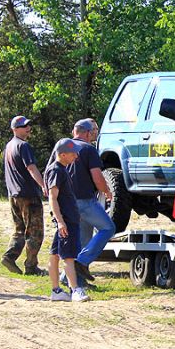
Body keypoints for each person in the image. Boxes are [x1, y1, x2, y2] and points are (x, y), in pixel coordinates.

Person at [48, 119, 115, 285]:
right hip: (85, 201)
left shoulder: (61, 148)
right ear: (87, 133)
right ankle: (82, 262)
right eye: (95, 131)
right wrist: (106, 191)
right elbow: (97, 176)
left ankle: (69, 279)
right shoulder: (89, 149)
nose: (96, 134)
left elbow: (48, 172)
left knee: (81, 240)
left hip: (66, 203)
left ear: (74, 131)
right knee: (108, 228)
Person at [45, 138, 90, 302]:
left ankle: (56, 291)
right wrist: (60, 221)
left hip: (67, 220)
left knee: (55, 254)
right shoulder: (56, 170)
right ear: (62, 154)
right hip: (66, 221)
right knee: (68, 256)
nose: (76, 156)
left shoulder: (61, 169)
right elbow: (52, 198)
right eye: (73, 153)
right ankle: (75, 290)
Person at [2, 115, 48, 276]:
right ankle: (31, 267)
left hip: (13, 195)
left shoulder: (9, 145)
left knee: (20, 229)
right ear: (14, 129)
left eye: (28, 125)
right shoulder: (23, 145)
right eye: (24, 126)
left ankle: (9, 257)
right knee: (35, 232)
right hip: (28, 195)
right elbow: (31, 168)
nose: (28, 128)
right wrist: (43, 185)